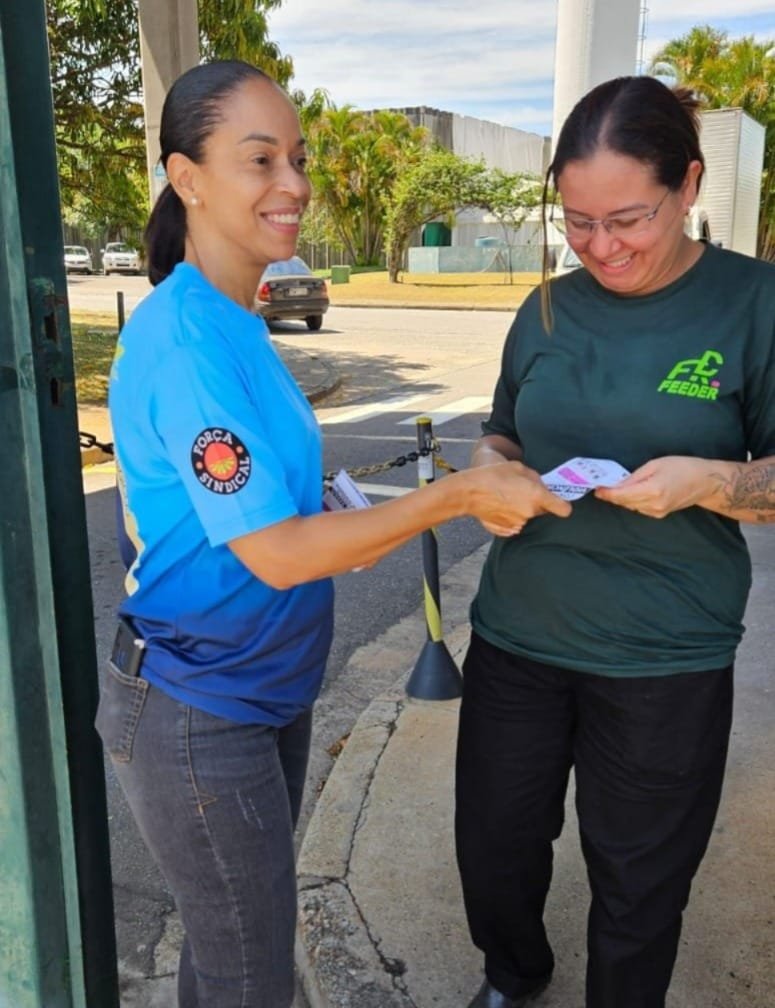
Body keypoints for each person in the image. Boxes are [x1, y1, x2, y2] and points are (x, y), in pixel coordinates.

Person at [94, 59, 570, 1008]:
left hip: (264, 688)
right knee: (249, 975)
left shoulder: (238, 319)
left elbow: (272, 506)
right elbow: (272, 552)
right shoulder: (186, 339)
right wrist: (451, 500)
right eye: (259, 159)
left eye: (299, 158)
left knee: (230, 953)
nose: (295, 184)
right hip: (200, 706)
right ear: (186, 178)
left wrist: (369, 502)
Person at [455, 74, 775, 1008]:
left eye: (627, 219)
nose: (601, 247)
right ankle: (513, 976)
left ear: (688, 185)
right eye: (577, 222)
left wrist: (712, 482)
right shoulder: (546, 308)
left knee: (639, 873)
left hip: (664, 653)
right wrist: (490, 471)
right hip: (520, 632)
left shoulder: (752, 304)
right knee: (494, 839)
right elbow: (504, 427)